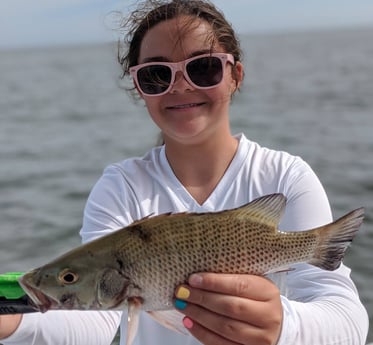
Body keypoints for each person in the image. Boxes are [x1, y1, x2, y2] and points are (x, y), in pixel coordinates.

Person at [0, 0, 369, 344]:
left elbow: (347, 320)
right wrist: (12, 321)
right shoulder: (122, 186)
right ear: (139, 88)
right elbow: (94, 318)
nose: (180, 85)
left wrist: (281, 325)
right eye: (157, 75)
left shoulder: (286, 174)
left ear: (235, 75)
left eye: (203, 67)